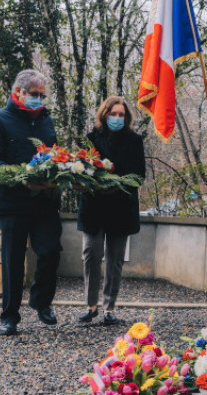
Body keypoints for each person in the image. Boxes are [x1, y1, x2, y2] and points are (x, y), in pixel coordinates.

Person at [0, 69, 62, 336]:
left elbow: (54, 156)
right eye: (34, 94)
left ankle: (40, 301)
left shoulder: (47, 123)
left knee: (50, 251)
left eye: (42, 95)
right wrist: (22, 179)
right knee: (13, 260)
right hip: (11, 202)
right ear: (18, 92)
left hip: (44, 202)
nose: (39, 99)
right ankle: (10, 316)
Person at [77, 96, 145, 325]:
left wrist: (117, 181)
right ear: (104, 114)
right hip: (94, 206)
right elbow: (82, 171)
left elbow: (139, 175)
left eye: (121, 114)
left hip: (121, 207)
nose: (117, 118)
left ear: (126, 117)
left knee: (115, 260)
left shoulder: (134, 141)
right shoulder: (90, 139)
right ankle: (91, 305)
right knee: (91, 254)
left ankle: (109, 308)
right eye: (113, 114)